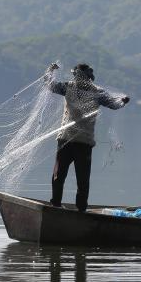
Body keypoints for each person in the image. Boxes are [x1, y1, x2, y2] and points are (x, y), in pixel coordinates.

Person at [45, 62, 129, 212]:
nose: (78, 78)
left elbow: (114, 104)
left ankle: (75, 208)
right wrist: (50, 71)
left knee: (76, 179)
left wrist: (122, 101)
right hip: (70, 140)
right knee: (64, 176)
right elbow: (50, 85)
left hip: (79, 142)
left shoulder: (93, 91)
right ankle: (61, 205)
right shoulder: (70, 87)